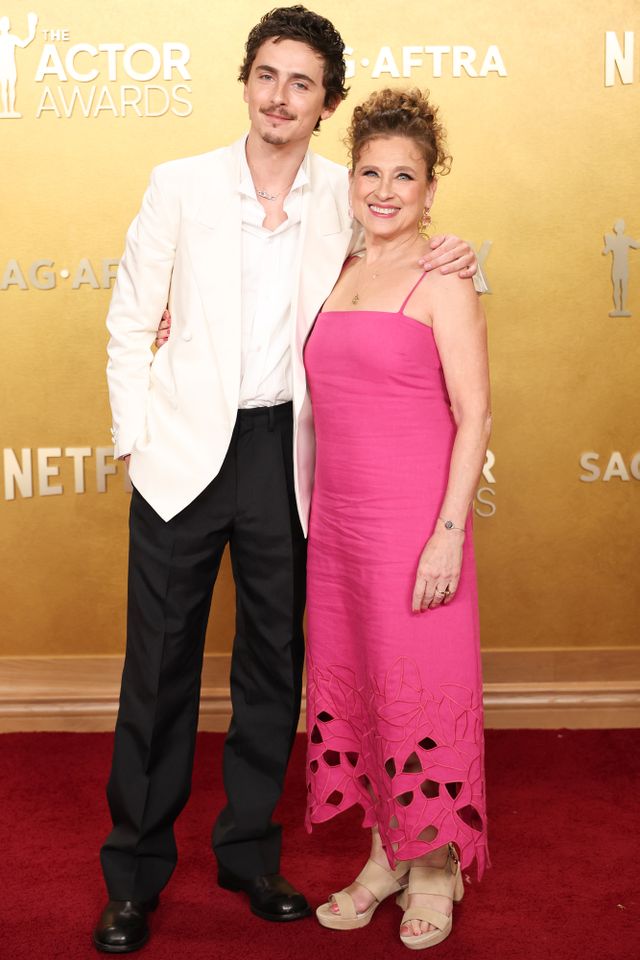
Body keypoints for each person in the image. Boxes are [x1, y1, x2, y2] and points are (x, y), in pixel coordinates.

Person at [97, 6, 478, 953]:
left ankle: (248, 854)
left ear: (326, 103)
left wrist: (458, 250)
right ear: (247, 82)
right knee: (158, 674)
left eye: (302, 82)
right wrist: (137, 445)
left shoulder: (343, 201)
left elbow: (409, 258)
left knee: (274, 668)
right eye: (267, 74)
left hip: (290, 459)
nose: (280, 94)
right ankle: (135, 877)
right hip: (183, 458)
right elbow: (127, 321)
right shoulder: (179, 186)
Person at [303, 87, 491, 950]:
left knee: (423, 692)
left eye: (403, 176)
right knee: (368, 689)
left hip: (416, 525)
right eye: (370, 171)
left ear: (428, 190)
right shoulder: (336, 271)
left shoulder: (443, 276)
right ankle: (385, 851)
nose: (384, 189)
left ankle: (435, 866)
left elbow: (476, 413)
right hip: (338, 529)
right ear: (351, 180)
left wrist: (448, 532)